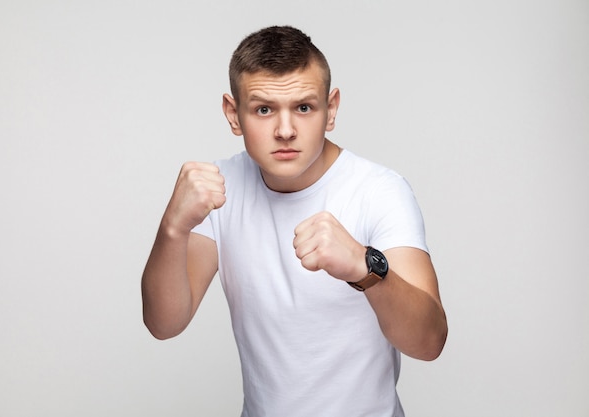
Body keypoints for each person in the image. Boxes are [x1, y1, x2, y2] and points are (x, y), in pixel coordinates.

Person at [141, 25, 447, 417]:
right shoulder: (219, 190)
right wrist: (172, 228)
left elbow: (430, 341)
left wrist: (363, 266)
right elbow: (164, 323)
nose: (285, 131)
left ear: (330, 109)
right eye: (264, 109)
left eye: (303, 107)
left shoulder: (379, 191)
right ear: (233, 115)